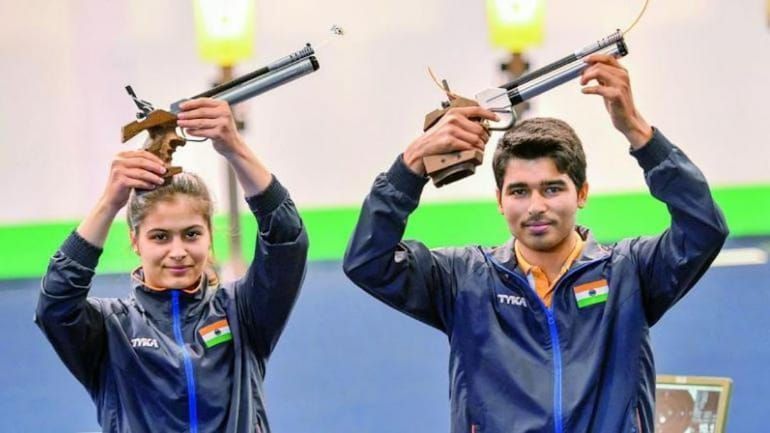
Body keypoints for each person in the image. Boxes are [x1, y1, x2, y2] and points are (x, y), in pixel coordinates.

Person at [343, 54, 728, 433]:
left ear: (582, 193)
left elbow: (704, 228)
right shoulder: (463, 280)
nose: (536, 207)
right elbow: (367, 261)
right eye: (519, 191)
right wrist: (412, 162)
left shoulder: (630, 273)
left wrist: (638, 132)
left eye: (552, 188)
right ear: (500, 200)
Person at [36, 98, 308, 433]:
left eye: (191, 234)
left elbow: (287, 242)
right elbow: (55, 306)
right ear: (136, 241)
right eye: (160, 237)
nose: (178, 251)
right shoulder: (111, 330)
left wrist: (234, 147)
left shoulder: (242, 312)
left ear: (210, 236)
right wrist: (109, 202)